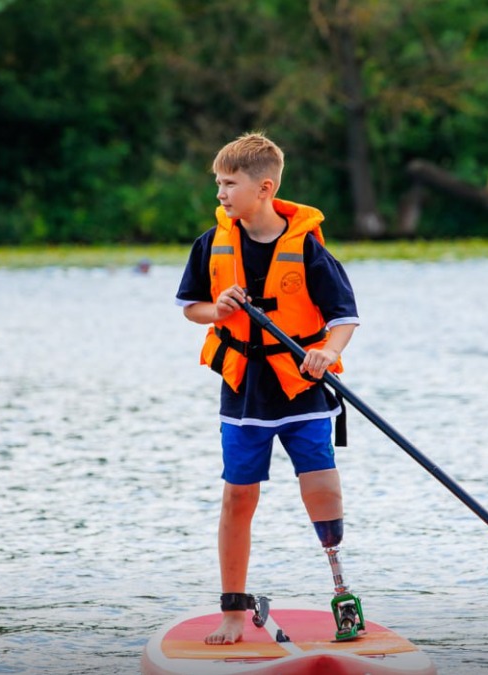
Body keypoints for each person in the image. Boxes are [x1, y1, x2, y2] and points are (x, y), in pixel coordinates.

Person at [175, 132, 362, 645]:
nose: (219, 194)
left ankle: (343, 594)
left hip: (302, 388)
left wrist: (328, 351)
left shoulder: (307, 250)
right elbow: (193, 308)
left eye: (228, 183)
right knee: (238, 497)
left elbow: (344, 319)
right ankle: (233, 610)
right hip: (245, 393)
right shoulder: (210, 246)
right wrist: (221, 311)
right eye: (218, 183)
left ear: (264, 187)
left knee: (322, 487)